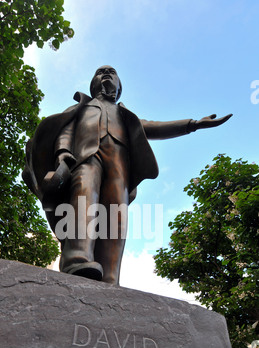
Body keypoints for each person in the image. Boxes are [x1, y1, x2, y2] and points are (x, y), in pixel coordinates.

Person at [23, 65, 232, 285]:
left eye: (111, 72)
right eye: (100, 72)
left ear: (119, 86)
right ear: (92, 83)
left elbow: (155, 127)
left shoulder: (124, 115)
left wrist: (193, 124)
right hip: (85, 159)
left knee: (116, 215)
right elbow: (65, 132)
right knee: (84, 199)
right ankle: (77, 259)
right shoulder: (82, 107)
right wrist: (63, 154)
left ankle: (110, 275)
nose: (105, 73)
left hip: (118, 166)